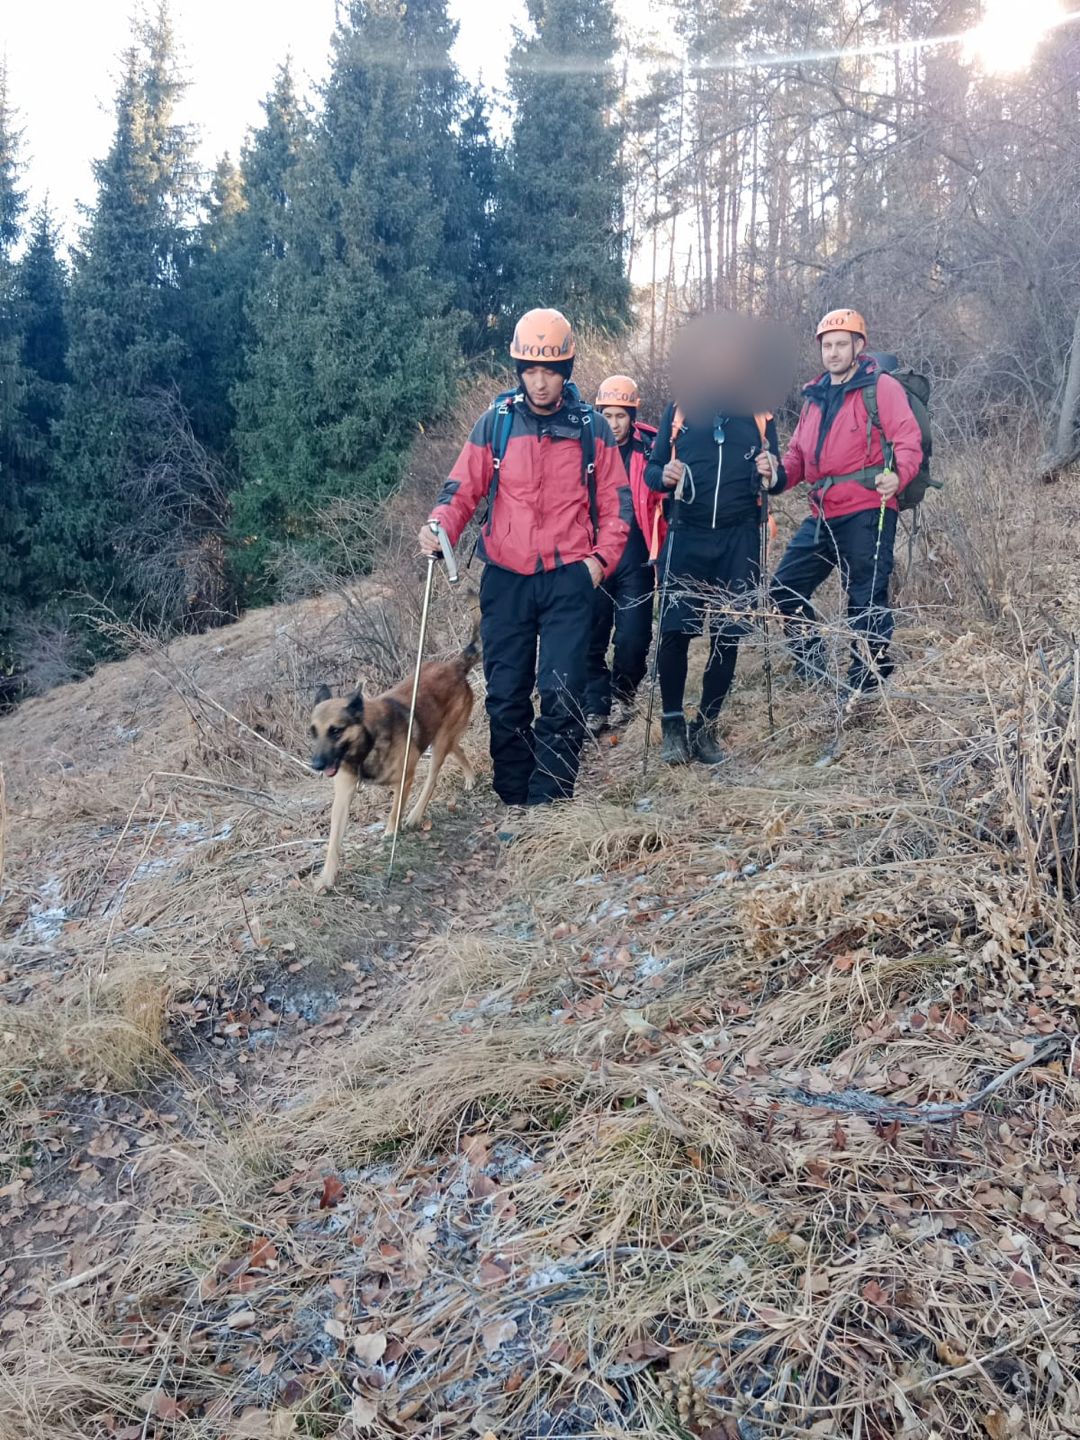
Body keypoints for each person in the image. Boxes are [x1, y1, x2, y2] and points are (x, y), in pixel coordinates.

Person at [419, 308, 630, 836]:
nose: (540, 380)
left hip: (568, 579)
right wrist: (438, 526)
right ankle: (514, 798)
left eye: (551, 370)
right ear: (518, 368)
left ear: (567, 369)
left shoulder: (592, 429)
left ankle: (549, 806)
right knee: (506, 693)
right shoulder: (497, 422)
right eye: (531, 370)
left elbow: (618, 506)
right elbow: (461, 489)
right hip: (506, 578)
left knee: (561, 689)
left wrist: (598, 565)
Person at [765, 308, 923, 695]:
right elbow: (799, 457)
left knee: (865, 600)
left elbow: (908, 439)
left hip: (868, 509)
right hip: (822, 514)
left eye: (841, 344)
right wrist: (776, 476)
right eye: (827, 345)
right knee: (784, 589)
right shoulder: (814, 396)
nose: (833, 352)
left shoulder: (881, 388)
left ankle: (866, 681)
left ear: (858, 346)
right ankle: (811, 656)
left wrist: (898, 474)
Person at [645, 391, 784, 766]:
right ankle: (673, 724)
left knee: (728, 634)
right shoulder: (679, 409)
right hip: (686, 532)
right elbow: (652, 470)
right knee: (674, 631)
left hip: (739, 537)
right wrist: (666, 475)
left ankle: (706, 726)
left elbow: (780, 476)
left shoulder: (759, 411)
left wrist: (772, 470)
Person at [584, 375, 662, 735]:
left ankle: (623, 693)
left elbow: (665, 496)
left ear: (632, 415)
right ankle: (596, 704)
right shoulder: (584, 448)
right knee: (591, 634)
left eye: (620, 416)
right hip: (594, 555)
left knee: (634, 637)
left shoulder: (651, 448)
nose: (613, 423)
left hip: (637, 554)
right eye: (607, 415)